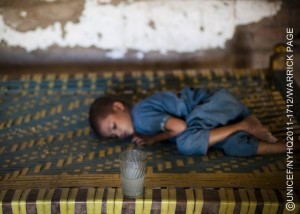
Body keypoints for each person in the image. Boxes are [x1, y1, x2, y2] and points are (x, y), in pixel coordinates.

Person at [89, 87, 288, 156]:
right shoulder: (142, 122)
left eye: (113, 126)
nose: (118, 133)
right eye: (113, 135)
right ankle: (288, 147)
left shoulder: (140, 117)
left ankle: (245, 125)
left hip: (214, 105)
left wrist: (154, 140)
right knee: (234, 146)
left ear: (118, 107)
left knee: (185, 142)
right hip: (216, 118)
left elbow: (180, 127)